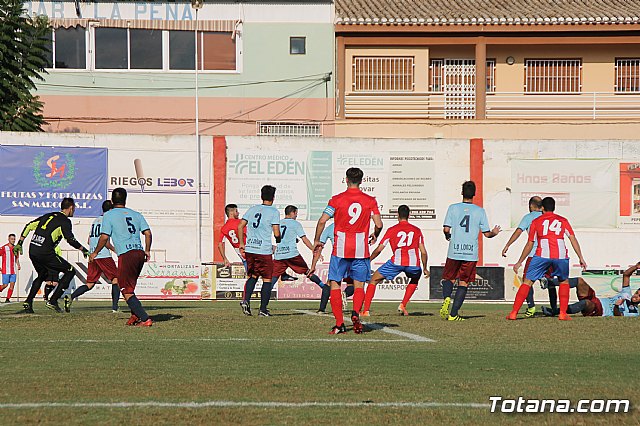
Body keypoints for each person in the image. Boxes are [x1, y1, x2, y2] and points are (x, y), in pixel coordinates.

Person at [311, 167, 383, 335]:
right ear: (362, 181)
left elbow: (322, 221)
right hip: (361, 248)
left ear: (346, 179)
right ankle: (356, 313)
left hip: (341, 248)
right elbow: (378, 224)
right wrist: (375, 235)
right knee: (359, 284)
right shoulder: (370, 200)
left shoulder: (336, 200)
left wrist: (316, 240)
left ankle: (339, 324)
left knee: (335, 283)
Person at [508, 196, 587, 321]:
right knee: (563, 282)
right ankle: (562, 313)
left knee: (527, 282)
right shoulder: (563, 220)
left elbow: (530, 243)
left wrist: (519, 261)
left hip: (542, 255)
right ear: (554, 208)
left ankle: (513, 313)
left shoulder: (536, 221)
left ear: (542, 208)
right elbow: (572, 238)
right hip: (560, 255)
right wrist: (580, 257)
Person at [90, 188, 153, 327]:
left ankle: (144, 318)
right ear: (125, 200)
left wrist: (95, 252)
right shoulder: (136, 214)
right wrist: (147, 251)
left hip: (126, 254)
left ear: (112, 201)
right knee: (129, 285)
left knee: (125, 289)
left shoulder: (109, 215)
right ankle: (135, 315)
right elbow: (148, 233)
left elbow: (104, 237)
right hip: (139, 253)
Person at [14, 198, 89, 313]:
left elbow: (29, 226)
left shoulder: (48, 215)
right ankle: (53, 301)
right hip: (45, 252)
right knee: (70, 271)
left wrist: (20, 243)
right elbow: (70, 239)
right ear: (71, 208)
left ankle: (28, 302)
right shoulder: (65, 221)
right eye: (74, 209)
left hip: (33, 250)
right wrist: (83, 249)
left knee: (42, 274)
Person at [440, 181, 501, 321]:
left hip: (454, 250)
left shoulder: (453, 208)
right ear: (474, 194)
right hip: (470, 253)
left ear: (462, 193)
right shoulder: (480, 211)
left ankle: (447, 298)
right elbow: (487, 234)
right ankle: (453, 314)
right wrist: (495, 232)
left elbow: (446, 229)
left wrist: (447, 236)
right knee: (463, 282)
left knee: (448, 278)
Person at [364, 205, 429, 316]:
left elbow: (379, 249)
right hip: (413, 264)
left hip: (396, 262)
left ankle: (365, 311)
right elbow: (423, 252)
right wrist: (425, 268)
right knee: (415, 278)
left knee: (373, 280)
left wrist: (369, 259)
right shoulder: (416, 230)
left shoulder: (392, 230)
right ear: (409, 215)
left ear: (397, 215)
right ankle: (403, 305)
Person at [271, 205, 329, 314]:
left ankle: (263, 304)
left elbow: (279, 236)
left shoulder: (278, 223)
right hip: (292, 254)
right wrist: (313, 249)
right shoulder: (295, 224)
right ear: (292, 213)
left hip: (279, 254)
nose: (296, 215)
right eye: (296, 213)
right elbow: (304, 239)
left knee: (273, 277)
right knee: (307, 271)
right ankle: (323, 286)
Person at [68, 200, 120, 312]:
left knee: (90, 284)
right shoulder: (108, 220)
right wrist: (115, 250)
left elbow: (88, 240)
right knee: (116, 280)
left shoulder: (95, 221)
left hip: (93, 255)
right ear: (111, 210)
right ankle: (115, 308)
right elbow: (105, 240)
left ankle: (71, 297)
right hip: (103, 255)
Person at [237, 185, 281, 317]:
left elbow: (240, 226)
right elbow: (276, 232)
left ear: (261, 196)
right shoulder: (274, 212)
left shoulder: (252, 209)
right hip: (263, 250)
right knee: (267, 279)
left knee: (253, 276)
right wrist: (279, 240)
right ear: (273, 197)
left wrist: (241, 243)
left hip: (250, 248)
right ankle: (263, 309)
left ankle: (246, 301)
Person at [541, 264, 640, 317]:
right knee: (580, 281)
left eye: (639, 296)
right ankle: (549, 283)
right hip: (597, 299)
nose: (636, 296)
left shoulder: (635, 312)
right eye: (637, 293)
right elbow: (626, 275)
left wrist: (617, 306)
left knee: (586, 303)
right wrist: (636, 267)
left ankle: (554, 312)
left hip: (600, 310)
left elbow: (619, 316)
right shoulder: (627, 294)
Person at [502, 196, 542, 318]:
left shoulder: (528, 218)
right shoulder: (547, 217)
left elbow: (518, 232)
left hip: (533, 254)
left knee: (526, 282)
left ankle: (531, 307)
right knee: (553, 282)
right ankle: (556, 308)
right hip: (549, 254)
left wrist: (507, 245)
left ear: (531, 206)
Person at [312, 221, 355, 314]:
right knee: (353, 284)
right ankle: (345, 294)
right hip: (351, 256)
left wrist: (313, 265)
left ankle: (321, 309)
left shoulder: (330, 227)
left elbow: (319, 246)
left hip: (338, 257)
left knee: (329, 283)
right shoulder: (350, 224)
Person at [0, 234, 20, 303]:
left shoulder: (16, 248)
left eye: (14, 239)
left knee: (12, 285)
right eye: (12, 239)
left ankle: (7, 299)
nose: (13, 240)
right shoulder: (4, 248)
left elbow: (17, 258)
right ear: (8, 239)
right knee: (5, 285)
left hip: (13, 270)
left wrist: (18, 264)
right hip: (6, 270)